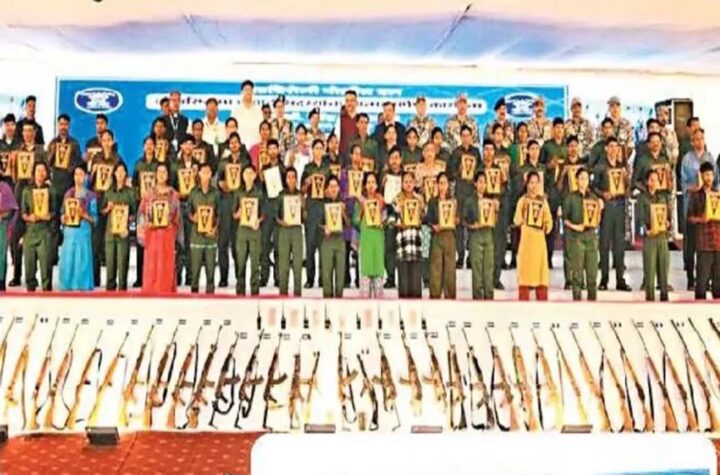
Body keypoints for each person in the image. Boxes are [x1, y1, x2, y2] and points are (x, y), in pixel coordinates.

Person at [10, 123, 48, 288]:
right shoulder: (17, 151)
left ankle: (37, 276)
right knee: (16, 237)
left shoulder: (41, 151)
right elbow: (12, 174)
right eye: (25, 130)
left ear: (35, 132)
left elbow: (48, 172)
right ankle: (17, 275)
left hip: (38, 197)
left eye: (30, 130)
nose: (27, 133)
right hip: (20, 196)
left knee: (37, 238)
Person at [592, 137, 631, 291]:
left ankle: (620, 279)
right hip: (607, 208)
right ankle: (604, 279)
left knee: (620, 245)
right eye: (611, 146)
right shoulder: (600, 167)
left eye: (616, 146)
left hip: (620, 206)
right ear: (606, 148)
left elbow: (628, 188)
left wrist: (627, 180)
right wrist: (602, 194)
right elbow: (593, 187)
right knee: (604, 244)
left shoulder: (622, 166)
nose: (614, 149)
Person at [681, 128, 716, 289]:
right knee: (690, 245)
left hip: (710, 208)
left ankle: (707, 279)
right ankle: (690, 278)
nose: (699, 141)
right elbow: (683, 184)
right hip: (692, 204)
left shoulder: (710, 157)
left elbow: (716, 181)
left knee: (708, 246)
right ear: (692, 141)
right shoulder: (687, 159)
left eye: (702, 138)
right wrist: (696, 188)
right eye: (696, 139)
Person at [139, 163, 181, 294]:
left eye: (164, 172)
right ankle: (150, 290)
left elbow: (177, 217)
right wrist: (147, 225)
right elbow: (141, 214)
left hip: (167, 234)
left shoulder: (173, 195)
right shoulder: (149, 194)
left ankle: (166, 289)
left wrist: (172, 226)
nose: (162, 175)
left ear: (168, 175)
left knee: (166, 262)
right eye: (159, 172)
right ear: (156, 175)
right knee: (152, 262)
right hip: (152, 235)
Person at [216, 132, 249, 287]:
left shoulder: (245, 161)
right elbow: (218, 180)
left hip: (240, 203)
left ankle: (240, 276)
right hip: (225, 203)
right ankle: (223, 277)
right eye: (231, 142)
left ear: (240, 144)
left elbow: (250, 181)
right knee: (223, 242)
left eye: (236, 142)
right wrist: (221, 184)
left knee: (238, 244)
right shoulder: (223, 162)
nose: (234, 145)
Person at [563, 168, 601, 301]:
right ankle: (577, 302)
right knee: (577, 275)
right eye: (581, 178)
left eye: (586, 178)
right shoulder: (570, 197)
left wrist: (600, 210)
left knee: (592, 274)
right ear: (576, 180)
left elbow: (597, 219)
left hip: (591, 237)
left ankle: (592, 301)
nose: (584, 181)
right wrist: (576, 227)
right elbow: (565, 219)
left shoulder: (594, 197)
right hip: (576, 237)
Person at [89, 130, 121, 287]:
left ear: (113, 141)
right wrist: (93, 171)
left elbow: (121, 180)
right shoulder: (96, 158)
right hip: (97, 200)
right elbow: (89, 182)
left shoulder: (117, 159)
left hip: (111, 203)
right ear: (101, 142)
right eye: (104, 140)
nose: (106, 143)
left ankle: (111, 280)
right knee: (96, 241)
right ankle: (95, 278)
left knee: (111, 243)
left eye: (109, 140)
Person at [514, 171, 552, 301]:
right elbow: (516, 220)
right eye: (531, 182)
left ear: (540, 184)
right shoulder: (522, 201)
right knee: (524, 277)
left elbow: (549, 223)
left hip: (539, 244)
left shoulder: (543, 202)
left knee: (541, 278)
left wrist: (546, 226)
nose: (533, 186)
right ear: (527, 184)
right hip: (526, 244)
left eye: (536, 183)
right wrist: (524, 212)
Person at [58, 164, 97, 291]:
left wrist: (84, 215)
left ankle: (82, 287)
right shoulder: (68, 194)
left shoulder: (91, 196)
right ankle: (66, 286)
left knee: (82, 261)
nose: (78, 177)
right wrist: (63, 218)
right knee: (68, 259)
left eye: (81, 174)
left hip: (83, 232)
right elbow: (62, 213)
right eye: (76, 174)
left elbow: (95, 220)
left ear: (86, 177)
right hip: (69, 233)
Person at [687, 162, 720, 299]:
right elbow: (690, 218)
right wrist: (701, 219)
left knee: (718, 283)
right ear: (701, 175)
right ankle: (699, 307)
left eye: (711, 175)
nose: (709, 177)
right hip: (704, 242)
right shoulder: (695, 196)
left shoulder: (717, 194)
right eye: (706, 175)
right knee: (701, 281)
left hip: (718, 241)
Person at [637, 169, 671, 301]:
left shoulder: (662, 197)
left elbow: (668, 217)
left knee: (664, 270)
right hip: (650, 237)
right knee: (649, 271)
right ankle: (649, 299)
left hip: (662, 237)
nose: (654, 182)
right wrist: (646, 231)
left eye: (656, 180)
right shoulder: (642, 198)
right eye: (652, 180)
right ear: (647, 182)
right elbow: (639, 220)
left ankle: (664, 298)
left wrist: (667, 223)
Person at [450, 125, 481, 269]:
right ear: (460, 137)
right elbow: (450, 172)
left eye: (468, 135)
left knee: (472, 224)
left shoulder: (476, 152)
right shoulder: (456, 152)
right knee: (459, 225)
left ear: (471, 137)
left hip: (472, 192)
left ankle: (470, 257)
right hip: (460, 192)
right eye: (463, 135)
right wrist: (459, 171)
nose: (466, 138)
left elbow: (479, 171)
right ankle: (460, 255)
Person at [22, 162, 55, 291]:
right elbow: (23, 213)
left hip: (45, 231)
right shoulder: (27, 190)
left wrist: (49, 216)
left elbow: (54, 211)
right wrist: (29, 217)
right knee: (29, 266)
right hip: (30, 231)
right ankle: (31, 292)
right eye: (38, 170)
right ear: (33, 173)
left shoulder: (51, 191)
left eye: (43, 171)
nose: (40, 173)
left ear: (46, 173)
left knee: (46, 266)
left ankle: (47, 292)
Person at [480, 139, 509, 289]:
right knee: (483, 247)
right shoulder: (477, 170)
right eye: (486, 150)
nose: (489, 153)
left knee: (498, 245)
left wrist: (498, 197)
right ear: (482, 151)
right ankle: (483, 280)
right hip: (482, 211)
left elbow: (505, 189)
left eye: (491, 150)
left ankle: (495, 278)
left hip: (498, 211)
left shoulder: (499, 170)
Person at [463, 172, 497, 300]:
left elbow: (495, 221)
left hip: (488, 234)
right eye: (480, 182)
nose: (482, 185)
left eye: (485, 182)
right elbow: (463, 220)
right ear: (475, 183)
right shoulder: (469, 200)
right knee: (477, 269)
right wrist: (472, 225)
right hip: (475, 235)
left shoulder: (491, 200)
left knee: (489, 268)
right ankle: (477, 298)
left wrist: (496, 210)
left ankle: (489, 297)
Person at [102, 162, 135, 291]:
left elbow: (134, 214)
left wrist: (129, 223)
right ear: (114, 174)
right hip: (110, 233)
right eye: (118, 171)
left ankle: (122, 291)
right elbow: (102, 211)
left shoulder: (130, 192)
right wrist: (107, 209)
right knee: (110, 264)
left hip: (123, 233)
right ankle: (110, 292)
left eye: (122, 171)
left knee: (123, 264)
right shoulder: (108, 192)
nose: (120, 174)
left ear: (126, 174)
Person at [301, 139, 330, 288]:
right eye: (316, 148)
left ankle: (323, 278)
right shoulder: (308, 168)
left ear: (324, 150)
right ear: (312, 150)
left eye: (320, 148)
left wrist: (328, 190)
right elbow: (302, 190)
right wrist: (307, 181)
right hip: (311, 208)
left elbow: (333, 188)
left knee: (323, 245)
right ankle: (310, 278)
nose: (318, 151)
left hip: (324, 208)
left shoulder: (328, 168)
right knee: (310, 245)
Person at [188, 163, 220, 294]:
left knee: (211, 269)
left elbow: (219, 214)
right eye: (203, 172)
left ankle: (210, 293)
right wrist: (193, 217)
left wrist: (215, 229)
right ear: (199, 174)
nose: (206, 175)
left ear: (211, 174)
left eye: (208, 172)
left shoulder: (216, 193)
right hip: (196, 236)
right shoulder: (193, 193)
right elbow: (188, 212)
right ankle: (194, 292)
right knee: (194, 270)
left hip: (211, 237)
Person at [172, 135, 199, 286]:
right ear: (181, 147)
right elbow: (170, 186)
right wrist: (178, 194)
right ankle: (177, 275)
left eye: (191, 144)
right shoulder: (175, 164)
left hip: (193, 206)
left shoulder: (198, 164)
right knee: (178, 242)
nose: (188, 147)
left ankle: (190, 276)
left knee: (190, 242)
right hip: (179, 205)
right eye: (186, 144)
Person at [540, 117, 566, 269]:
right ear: (552, 129)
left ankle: (569, 260)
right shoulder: (547, 146)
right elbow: (540, 167)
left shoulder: (567, 146)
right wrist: (549, 165)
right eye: (557, 128)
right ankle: (547, 257)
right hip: (551, 191)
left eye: (561, 128)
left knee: (568, 226)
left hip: (566, 192)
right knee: (550, 226)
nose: (559, 130)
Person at [234, 165, 265, 296]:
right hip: (242, 230)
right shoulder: (238, 193)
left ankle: (255, 291)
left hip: (254, 231)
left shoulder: (259, 193)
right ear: (242, 175)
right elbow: (233, 214)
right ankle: (240, 290)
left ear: (255, 175)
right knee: (240, 262)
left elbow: (263, 213)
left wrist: (259, 220)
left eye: (251, 173)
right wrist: (238, 214)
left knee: (255, 263)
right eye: (246, 173)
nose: (248, 176)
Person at [354, 171, 385, 298]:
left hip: (377, 242)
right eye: (368, 182)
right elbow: (356, 222)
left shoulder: (382, 202)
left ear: (377, 185)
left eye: (373, 182)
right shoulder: (359, 201)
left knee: (378, 281)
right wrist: (362, 207)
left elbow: (386, 220)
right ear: (364, 185)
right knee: (365, 282)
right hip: (365, 242)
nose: (371, 185)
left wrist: (382, 221)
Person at [131, 136, 157, 288]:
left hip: (157, 209)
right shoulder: (138, 164)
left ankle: (153, 276)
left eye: (151, 144)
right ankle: (140, 277)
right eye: (146, 144)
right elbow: (134, 185)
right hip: (141, 208)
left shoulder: (159, 164)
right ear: (143, 147)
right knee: (141, 242)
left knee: (154, 242)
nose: (149, 147)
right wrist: (139, 200)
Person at [426, 172, 457, 299]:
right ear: (437, 185)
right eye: (440, 183)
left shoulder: (453, 201)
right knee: (436, 269)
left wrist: (456, 220)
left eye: (444, 183)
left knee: (450, 269)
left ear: (448, 185)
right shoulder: (432, 202)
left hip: (449, 235)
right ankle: (435, 297)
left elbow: (458, 218)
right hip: (437, 236)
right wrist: (433, 226)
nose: (442, 186)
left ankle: (450, 297)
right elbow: (428, 219)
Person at [394, 171, 425, 298]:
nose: (408, 184)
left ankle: (416, 310)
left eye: (410, 181)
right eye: (405, 181)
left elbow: (424, 218)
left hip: (416, 244)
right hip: (403, 244)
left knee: (416, 285)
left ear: (414, 183)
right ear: (402, 183)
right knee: (404, 284)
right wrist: (399, 224)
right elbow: (390, 220)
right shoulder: (397, 200)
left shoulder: (420, 199)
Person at [259, 139, 285, 286]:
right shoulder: (264, 168)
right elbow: (260, 190)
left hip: (280, 209)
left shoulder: (284, 168)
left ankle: (278, 276)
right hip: (267, 209)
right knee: (264, 245)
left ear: (278, 150)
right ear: (267, 151)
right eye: (271, 148)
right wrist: (261, 178)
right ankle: (264, 275)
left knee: (279, 245)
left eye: (275, 148)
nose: (273, 151)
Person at [277, 167, 304, 297]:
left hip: (297, 229)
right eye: (289, 177)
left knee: (298, 263)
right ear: (285, 179)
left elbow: (305, 216)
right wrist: (281, 222)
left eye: (293, 177)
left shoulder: (300, 195)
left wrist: (303, 203)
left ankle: (297, 293)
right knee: (284, 263)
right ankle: (283, 293)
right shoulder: (281, 195)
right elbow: (275, 215)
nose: (291, 179)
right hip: (284, 230)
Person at [320, 175, 348, 298]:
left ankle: (339, 301)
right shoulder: (322, 203)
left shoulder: (343, 203)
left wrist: (343, 212)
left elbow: (348, 224)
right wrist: (324, 228)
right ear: (326, 188)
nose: (333, 189)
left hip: (340, 240)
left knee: (340, 275)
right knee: (326, 275)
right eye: (331, 186)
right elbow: (317, 223)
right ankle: (327, 302)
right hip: (327, 241)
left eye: (335, 186)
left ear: (339, 188)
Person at [381, 147, 403, 288]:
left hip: (404, 215)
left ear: (401, 159)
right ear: (389, 160)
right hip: (388, 215)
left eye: (397, 158)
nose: (394, 161)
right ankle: (390, 277)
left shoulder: (406, 176)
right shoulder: (384, 176)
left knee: (401, 247)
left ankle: (402, 277)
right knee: (388, 247)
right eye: (392, 158)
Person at [232, 80, 264, 147]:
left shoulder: (258, 110)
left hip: (256, 147)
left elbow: (262, 130)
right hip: (240, 147)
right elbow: (232, 130)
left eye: (250, 90)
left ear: (253, 92)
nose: (248, 92)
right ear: (241, 92)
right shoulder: (236, 110)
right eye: (246, 90)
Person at [0, 179, 18, 291]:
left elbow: (12, 209)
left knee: (1, 255)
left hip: (2, 227)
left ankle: (1, 283)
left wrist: (2, 214)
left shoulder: (4, 187)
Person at [336, 90, 359, 157]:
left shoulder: (360, 119)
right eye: (347, 101)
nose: (349, 103)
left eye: (352, 100)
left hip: (357, 157)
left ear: (356, 102)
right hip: (342, 157)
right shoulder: (339, 119)